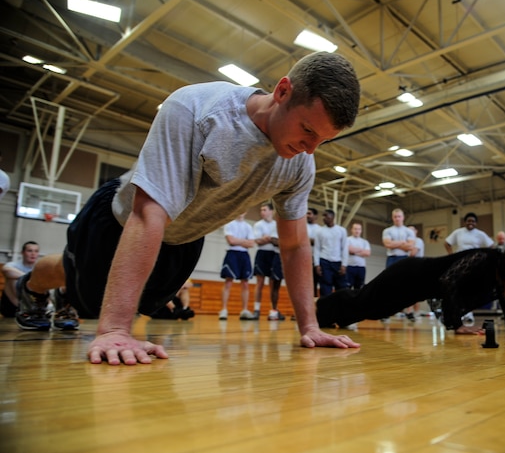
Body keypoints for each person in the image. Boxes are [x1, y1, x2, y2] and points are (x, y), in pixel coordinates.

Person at [16, 51, 361, 364]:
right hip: (121, 221)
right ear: (283, 91)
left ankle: (67, 296)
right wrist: (115, 330)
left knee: (127, 303)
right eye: (307, 130)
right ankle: (28, 287)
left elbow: (296, 244)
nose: (310, 149)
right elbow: (147, 213)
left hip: (182, 242)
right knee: (84, 294)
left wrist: (310, 326)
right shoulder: (198, 110)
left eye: (323, 140)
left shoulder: (300, 163)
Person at [316, 244, 505, 335]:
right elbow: (447, 280)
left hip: (416, 288)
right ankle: (317, 310)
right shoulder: (487, 258)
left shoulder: (502, 277)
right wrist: (457, 325)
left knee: (373, 311)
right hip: (408, 275)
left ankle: (330, 318)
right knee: (363, 300)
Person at [219, 214, 255, 320]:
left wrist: (237, 241)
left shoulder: (248, 226)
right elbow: (231, 241)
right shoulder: (229, 224)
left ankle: (244, 310)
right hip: (232, 254)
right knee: (228, 282)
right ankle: (224, 309)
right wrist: (244, 241)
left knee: (245, 283)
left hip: (244, 255)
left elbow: (252, 243)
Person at [252, 203, 285, 320]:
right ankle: (256, 309)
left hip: (274, 254)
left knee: (274, 284)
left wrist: (267, 238)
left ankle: (273, 310)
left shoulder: (276, 225)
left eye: (264, 210)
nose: (262, 212)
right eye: (261, 210)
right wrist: (268, 239)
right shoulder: (258, 224)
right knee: (260, 283)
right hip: (262, 254)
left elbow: (274, 240)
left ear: (271, 211)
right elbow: (258, 241)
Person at [314, 209, 348, 297]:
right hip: (324, 262)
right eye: (323, 216)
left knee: (341, 289)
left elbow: (344, 248)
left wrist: (344, 265)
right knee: (325, 288)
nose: (323, 218)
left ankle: (340, 309)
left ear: (332, 217)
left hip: (338, 262)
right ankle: (326, 309)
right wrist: (317, 265)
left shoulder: (342, 230)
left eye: (326, 215)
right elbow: (317, 248)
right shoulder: (319, 231)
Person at [2, 241, 40, 319]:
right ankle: (22, 310)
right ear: (22, 253)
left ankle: (40, 309)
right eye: (30, 251)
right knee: (12, 279)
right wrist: (28, 278)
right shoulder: (13, 265)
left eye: (36, 251)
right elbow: (6, 270)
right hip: (12, 304)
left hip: (32, 301)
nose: (33, 254)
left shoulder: (39, 267)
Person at [346, 222, 371, 290]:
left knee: (359, 288)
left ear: (361, 230)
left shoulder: (365, 242)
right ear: (351, 230)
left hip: (361, 267)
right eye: (355, 229)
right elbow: (349, 250)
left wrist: (354, 252)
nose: (357, 231)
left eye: (359, 229)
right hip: (350, 267)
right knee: (347, 287)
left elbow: (367, 253)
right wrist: (361, 250)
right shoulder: (348, 240)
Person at [306, 208, 322, 297]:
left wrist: (306, 240)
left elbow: (320, 243)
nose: (307, 216)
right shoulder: (302, 227)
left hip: (314, 261)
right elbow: (299, 240)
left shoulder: (320, 230)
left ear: (315, 216)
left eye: (309, 213)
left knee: (314, 284)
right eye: (306, 214)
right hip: (302, 260)